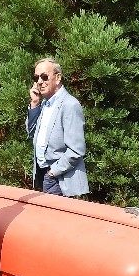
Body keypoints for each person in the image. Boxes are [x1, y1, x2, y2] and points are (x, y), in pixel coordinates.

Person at [25, 57, 89, 197]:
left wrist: (53, 172)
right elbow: (31, 134)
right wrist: (34, 104)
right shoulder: (44, 104)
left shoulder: (70, 105)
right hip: (44, 175)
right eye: (36, 78)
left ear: (58, 78)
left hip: (62, 180)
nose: (39, 82)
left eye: (44, 76)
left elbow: (76, 150)